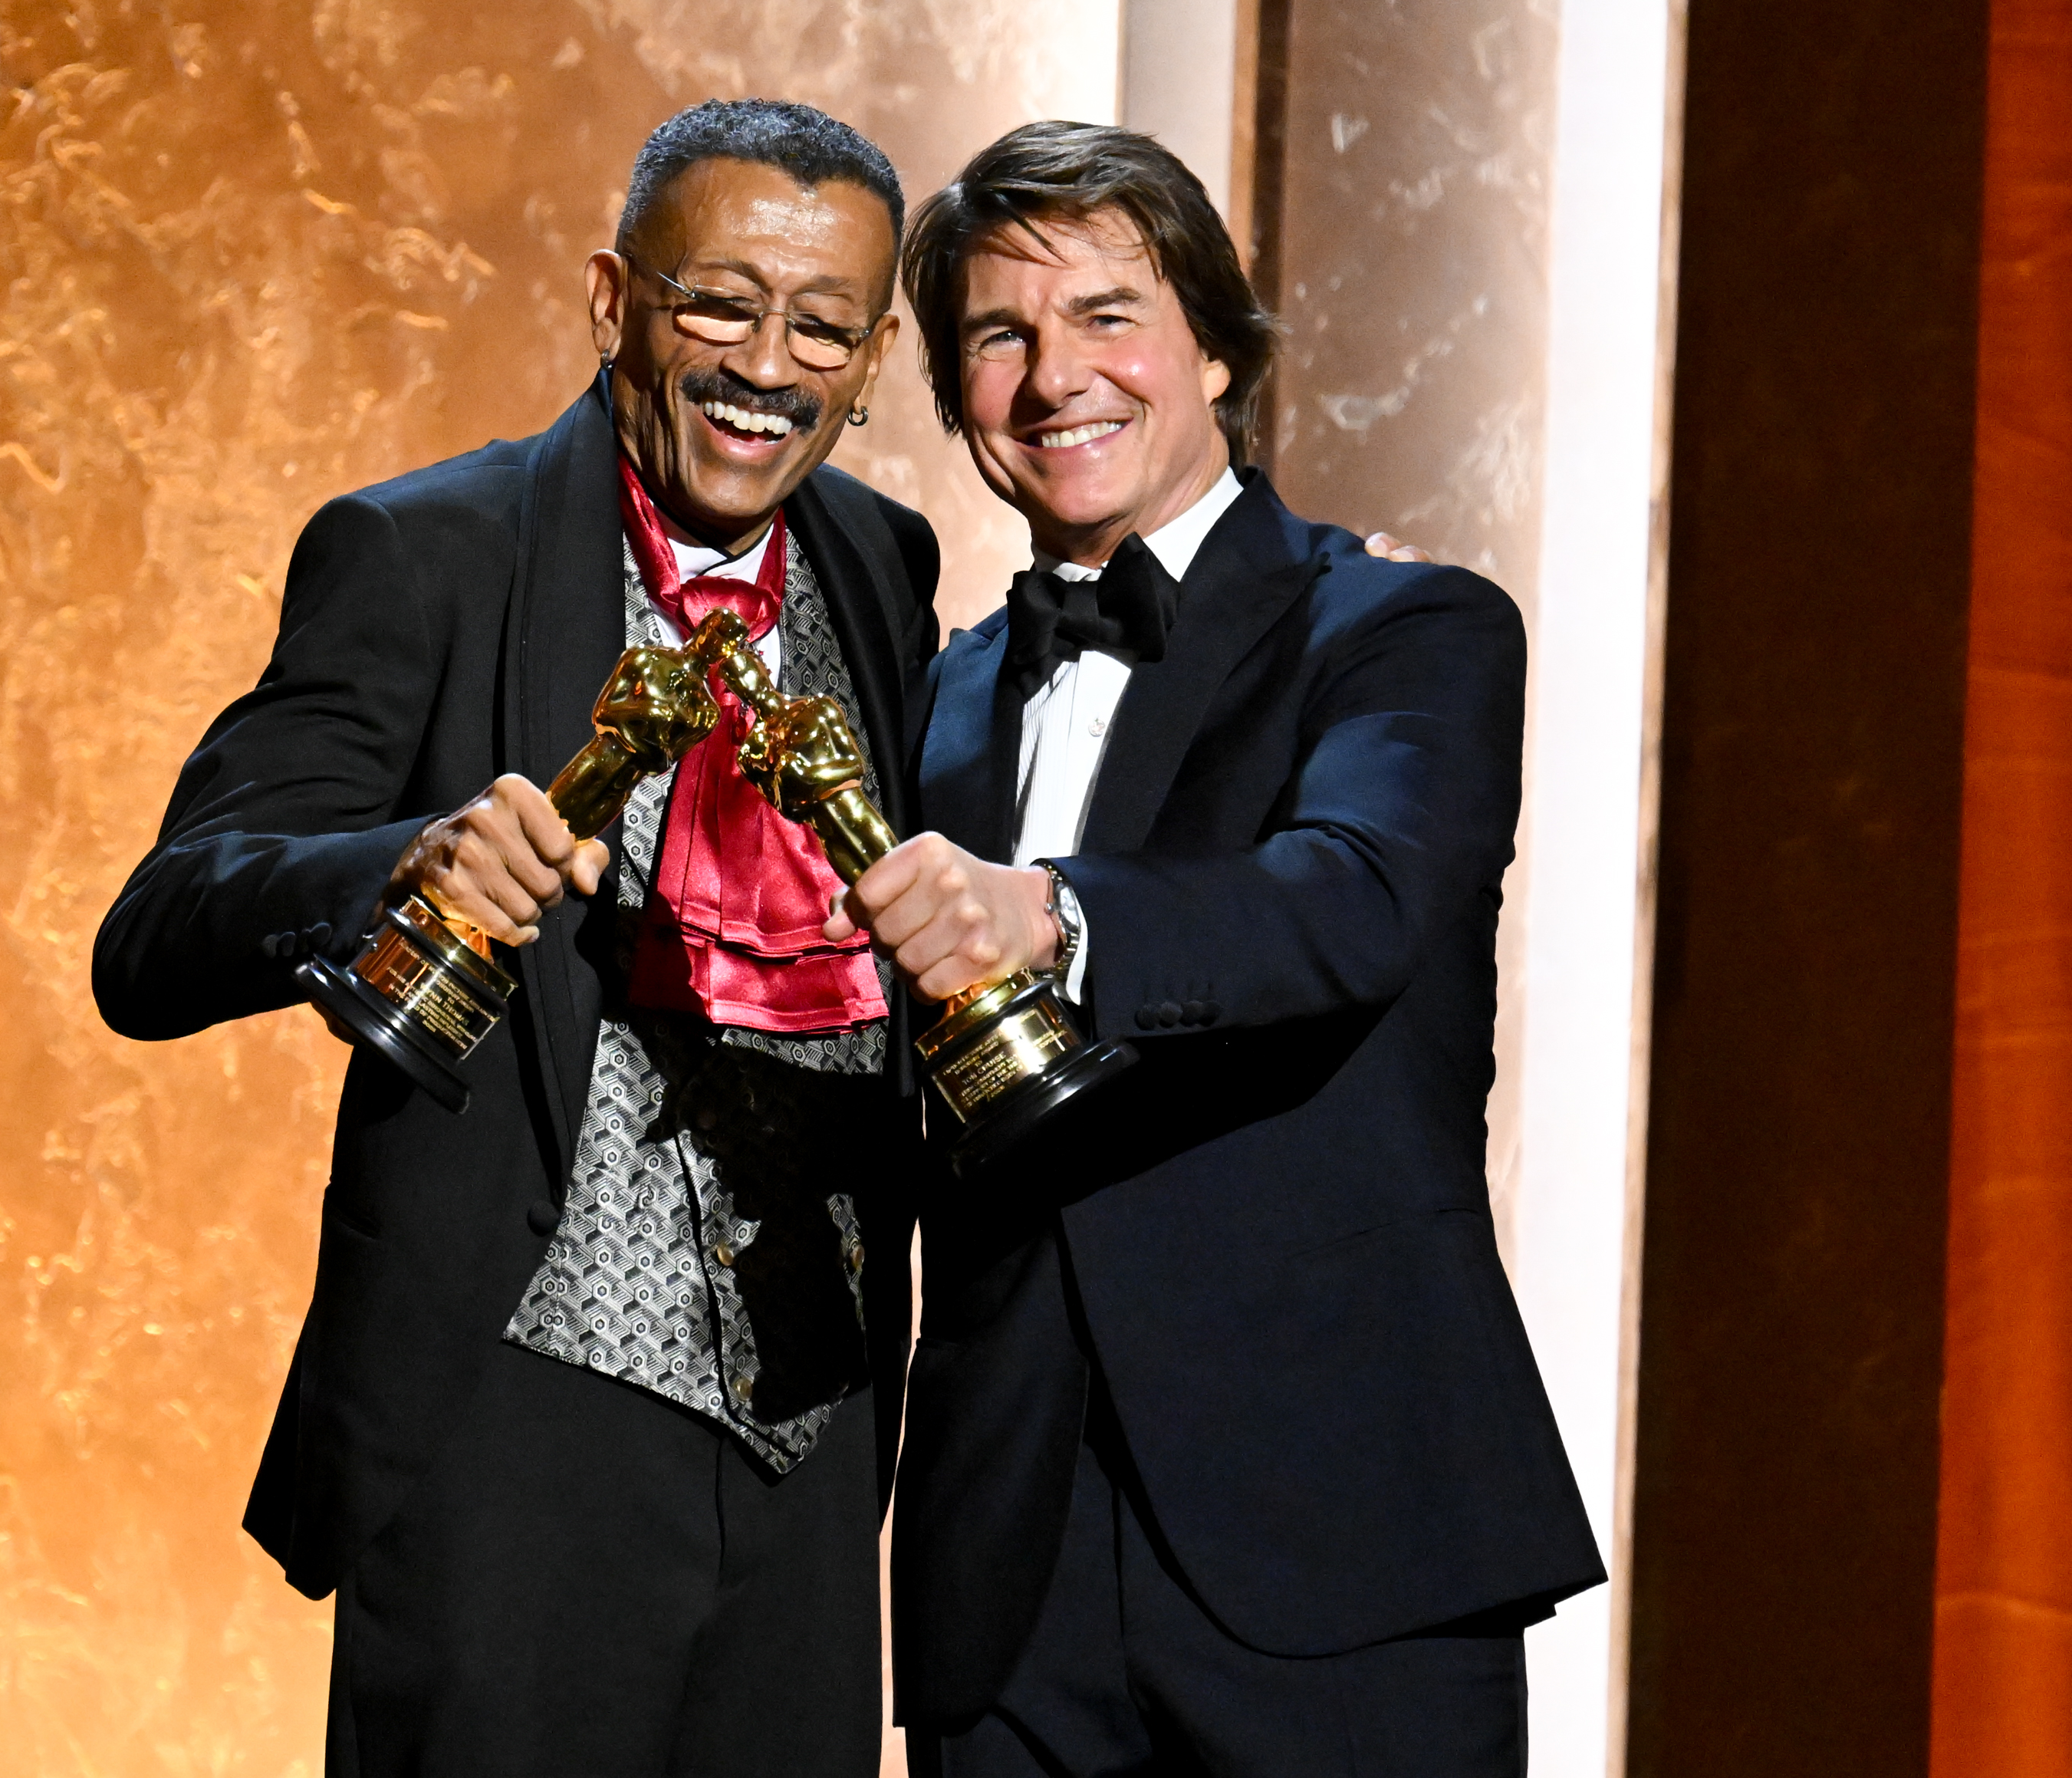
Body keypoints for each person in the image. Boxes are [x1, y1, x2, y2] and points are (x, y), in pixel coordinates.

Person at [93, 100, 938, 1777]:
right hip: (518, 1422)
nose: (767, 361)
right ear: (613, 296)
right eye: (719, 304)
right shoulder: (430, 551)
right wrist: (401, 862)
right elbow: (157, 930)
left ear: (877, 349)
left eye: (823, 324)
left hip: (817, 1440)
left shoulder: (880, 563)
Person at [827, 122, 1606, 1776]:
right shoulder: (932, 693)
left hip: (1341, 1539)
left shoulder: (1403, 626)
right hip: (1006, 1563)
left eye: (1110, 314)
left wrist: (1054, 913)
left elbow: (1357, 898)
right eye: (999, 335)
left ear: (1216, 346)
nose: (1056, 379)